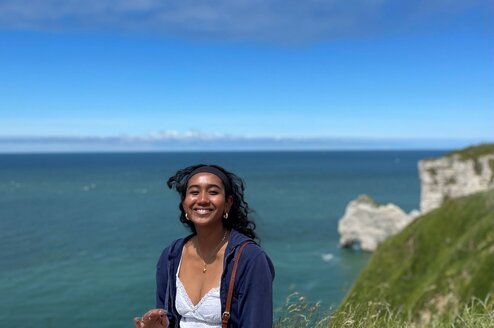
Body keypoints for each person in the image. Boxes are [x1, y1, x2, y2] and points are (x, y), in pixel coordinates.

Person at [134, 164, 275, 328]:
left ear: (228, 203)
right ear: (184, 203)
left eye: (213, 192)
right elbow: (169, 319)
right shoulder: (171, 256)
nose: (202, 200)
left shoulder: (250, 259)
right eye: (194, 192)